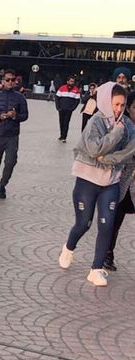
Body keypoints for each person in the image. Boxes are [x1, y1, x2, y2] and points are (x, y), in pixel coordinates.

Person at [58, 82, 132, 286]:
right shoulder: (96, 121)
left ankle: (96, 269)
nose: (118, 109)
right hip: (87, 180)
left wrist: (107, 159)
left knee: (107, 225)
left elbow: (129, 151)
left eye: (122, 105)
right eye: (115, 104)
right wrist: (115, 135)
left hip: (111, 182)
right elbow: (93, 149)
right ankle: (68, 248)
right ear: (107, 101)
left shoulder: (128, 125)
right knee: (84, 223)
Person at [97, 91, 135, 271]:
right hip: (121, 181)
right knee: (115, 220)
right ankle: (107, 254)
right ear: (128, 108)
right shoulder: (122, 127)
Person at [0, 67, 29, 199]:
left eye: (12, 80)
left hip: (12, 136)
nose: (10, 82)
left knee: (10, 162)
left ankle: (2, 185)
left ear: (15, 81)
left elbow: (25, 115)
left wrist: (15, 116)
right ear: (2, 81)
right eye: (7, 80)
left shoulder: (20, 98)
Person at [55, 75, 81, 142]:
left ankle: (64, 137)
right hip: (61, 109)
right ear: (67, 81)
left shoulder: (76, 90)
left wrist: (72, 108)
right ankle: (61, 135)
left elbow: (77, 100)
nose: (72, 83)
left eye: (73, 81)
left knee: (66, 123)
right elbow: (57, 98)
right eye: (71, 81)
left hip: (69, 110)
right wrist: (58, 107)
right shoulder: (62, 88)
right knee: (61, 122)